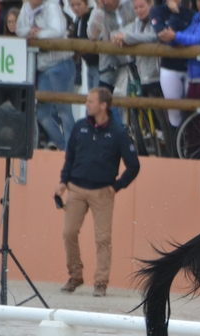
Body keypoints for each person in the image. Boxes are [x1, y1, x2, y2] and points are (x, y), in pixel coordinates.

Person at [54, 88, 140, 298]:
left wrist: (116, 187)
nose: (86, 104)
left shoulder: (118, 132)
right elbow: (70, 157)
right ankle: (75, 276)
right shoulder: (79, 127)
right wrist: (63, 183)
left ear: (103, 105)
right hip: (76, 188)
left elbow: (134, 166)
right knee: (68, 232)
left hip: (103, 191)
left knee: (103, 239)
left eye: (91, 101)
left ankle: (100, 282)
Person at [16, 0, 77, 151]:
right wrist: (31, 32)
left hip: (60, 63)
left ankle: (72, 150)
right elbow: (19, 29)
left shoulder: (52, 6)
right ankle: (64, 146)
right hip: (43, 66)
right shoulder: (25, 7)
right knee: (42, 113)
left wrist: (37, 33)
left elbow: (58, 31)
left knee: (64, 111)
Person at [150, 0, 195, 147]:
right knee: (174, 112)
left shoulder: (190, 13)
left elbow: (192, 36)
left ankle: (190, 148)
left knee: (192, 111)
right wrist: (176, 18)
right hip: (170, 67)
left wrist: (176, 36)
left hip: (189, 67)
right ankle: (176, 150)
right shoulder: (157, 11)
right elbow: (164, 35)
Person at [158, 0, 200, 101]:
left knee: (198, 113)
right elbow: (188, 34)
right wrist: (171, 39)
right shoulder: (197, 18)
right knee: (191, 113)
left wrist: (175, 36)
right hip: (193, 75)